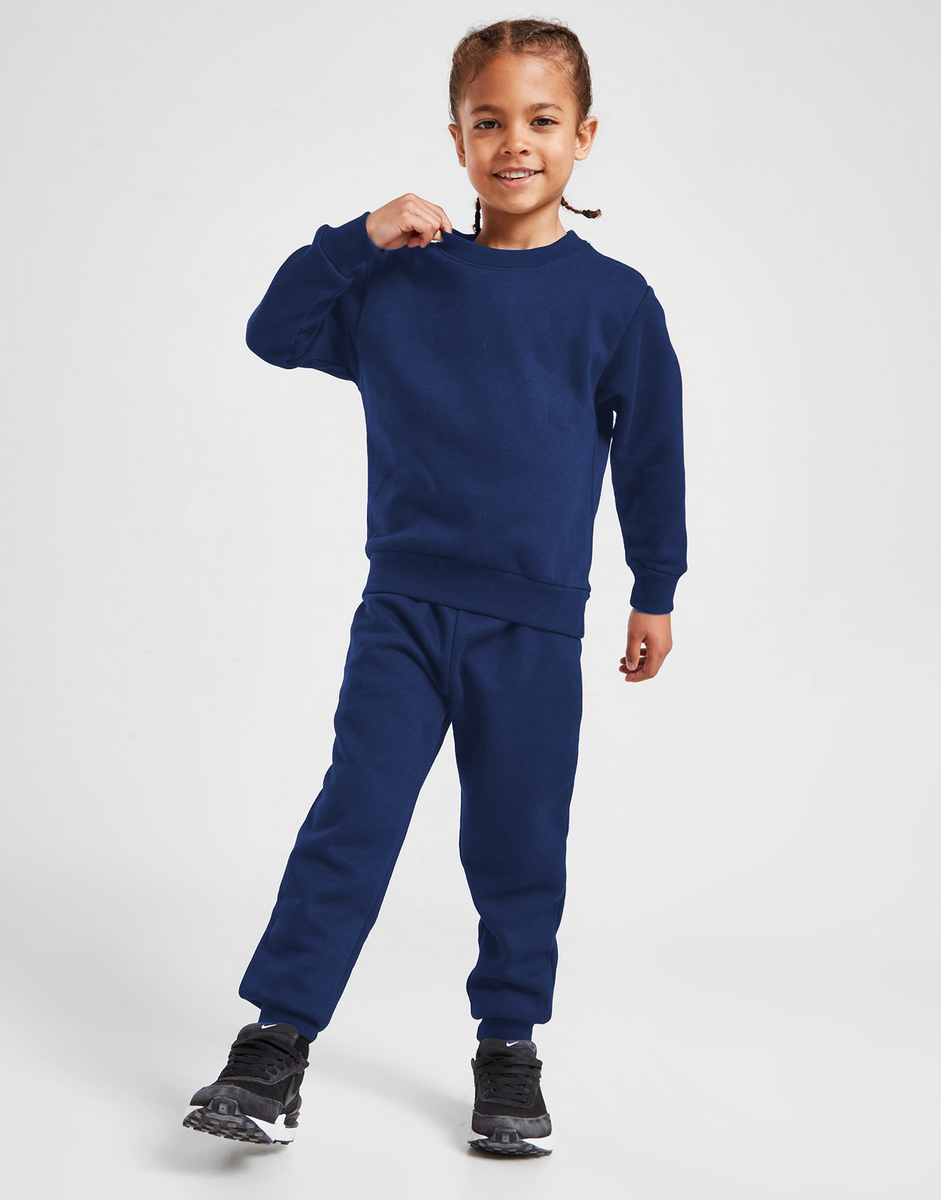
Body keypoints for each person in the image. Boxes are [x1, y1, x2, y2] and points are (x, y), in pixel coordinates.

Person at [183, 16, 687, 1157]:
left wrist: (653, 586)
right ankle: (274, 1043)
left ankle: (507, 1047)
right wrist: (356, 237)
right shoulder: (398, 283)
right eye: (488, 121)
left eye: (541, 120)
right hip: (402, 617)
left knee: (518, 845)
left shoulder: (614, 303)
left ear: (584, 135)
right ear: (456, 139)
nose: (515, 142)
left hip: (532, 627)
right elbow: (274, 331)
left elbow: (650, 455)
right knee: (351, 822)